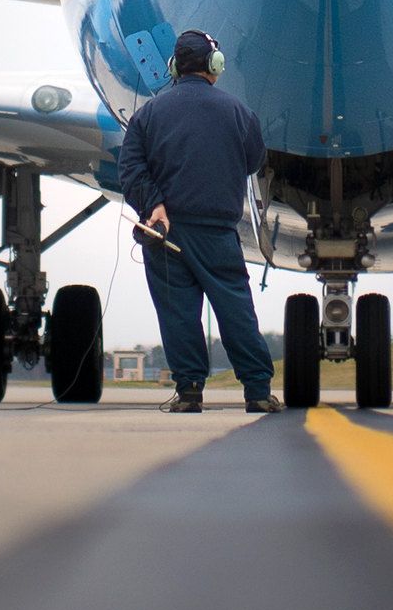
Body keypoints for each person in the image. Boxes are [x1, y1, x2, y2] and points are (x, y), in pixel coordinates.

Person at [118, 30, 283, 414]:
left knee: (178, 313)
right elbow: (254, 161)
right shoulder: (239, 112)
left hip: (166, 231)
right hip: (218, 232)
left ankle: (189, 392)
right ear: (215, 66)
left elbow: (130, 168)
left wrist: (153, 204)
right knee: (235, 310)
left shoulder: (148, 114)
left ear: (174, 67)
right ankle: (257, 391)